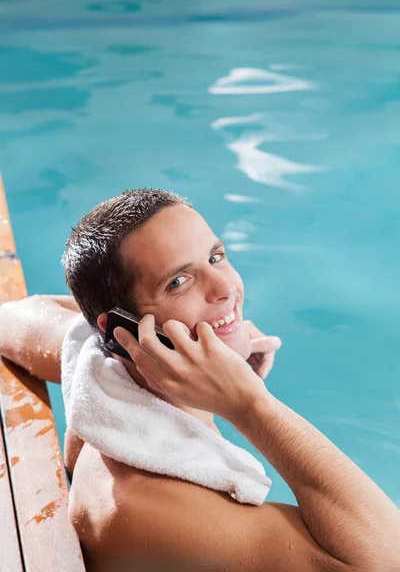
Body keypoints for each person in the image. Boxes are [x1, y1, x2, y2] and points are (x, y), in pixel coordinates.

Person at [0, 188, 399, 572]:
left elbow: (18, 318)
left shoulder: (102, 371)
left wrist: (220, 345)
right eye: (178, 281)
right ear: (125, 331)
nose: (226, 288)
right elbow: (385, 561)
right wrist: (248, 403)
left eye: (216, 256)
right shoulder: (146, 505)